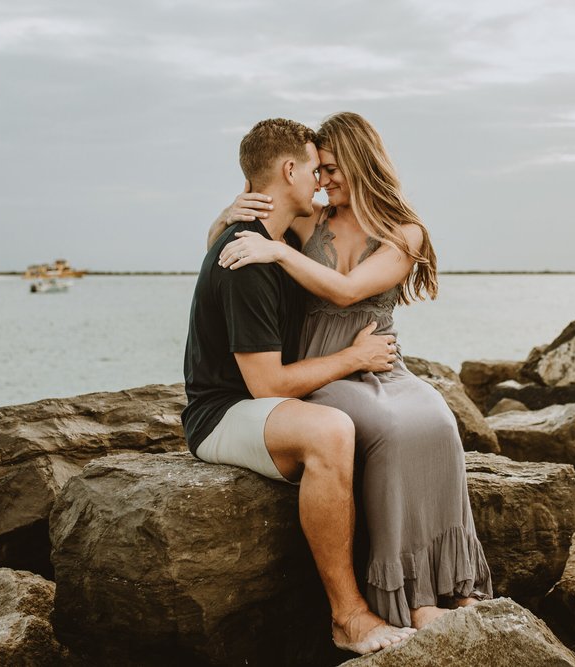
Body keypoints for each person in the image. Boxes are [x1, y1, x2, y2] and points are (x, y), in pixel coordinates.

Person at [209, 112, 492, 631]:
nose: (323, 180)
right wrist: (227, 213)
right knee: (389, 430)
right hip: (319, 368)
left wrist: (277, 253)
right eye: (318, 170)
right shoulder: (307, 220)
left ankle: (455, 582)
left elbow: (346, 291)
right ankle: (409, 595)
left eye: (333, 168)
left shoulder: (404, 233)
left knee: (437, 421)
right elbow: (230, 240)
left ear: (362, 164)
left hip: (383, 362)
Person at [182, 118, 416, 655]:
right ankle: (348, 616)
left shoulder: (273, 242)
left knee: (383, 423)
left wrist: (224, 214)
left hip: (258, 405)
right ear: (289, 170)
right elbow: (265, 385)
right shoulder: (247, 255)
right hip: (222, 413)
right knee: (331, 431)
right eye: (315, 169)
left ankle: (412, 587)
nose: (321, 182)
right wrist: (354, 357)